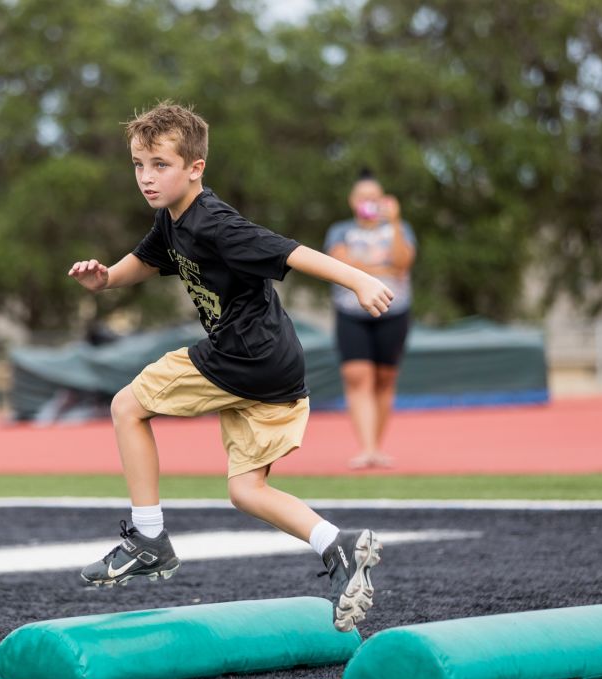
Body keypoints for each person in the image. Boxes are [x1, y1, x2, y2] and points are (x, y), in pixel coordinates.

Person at [67, 102, 395, 632]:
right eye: (138, 165)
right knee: (246, 491)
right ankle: (336, 547)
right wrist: (104, 279)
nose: (147, 178)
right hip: (278, 369)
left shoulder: (214, 223)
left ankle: (150, 538)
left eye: (160, 165)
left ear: (195, 168)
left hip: (242, 355)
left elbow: (291, 252)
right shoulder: (171, 222)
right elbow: (145, 261)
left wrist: (357, 279)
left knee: (126, 406)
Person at [323, 172, 417, 470]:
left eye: (374, 198)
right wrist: (380, 268)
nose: (369, 203)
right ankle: (366, 448)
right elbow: (339, 263)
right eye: (363, 197)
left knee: (385, 379)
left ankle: (377, 446)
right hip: (352, 314)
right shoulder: (340, 231)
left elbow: (403, 262)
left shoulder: (400, 229)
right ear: (353, 201)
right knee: (358, 376)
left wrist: (395, 222)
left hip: (394, 312)